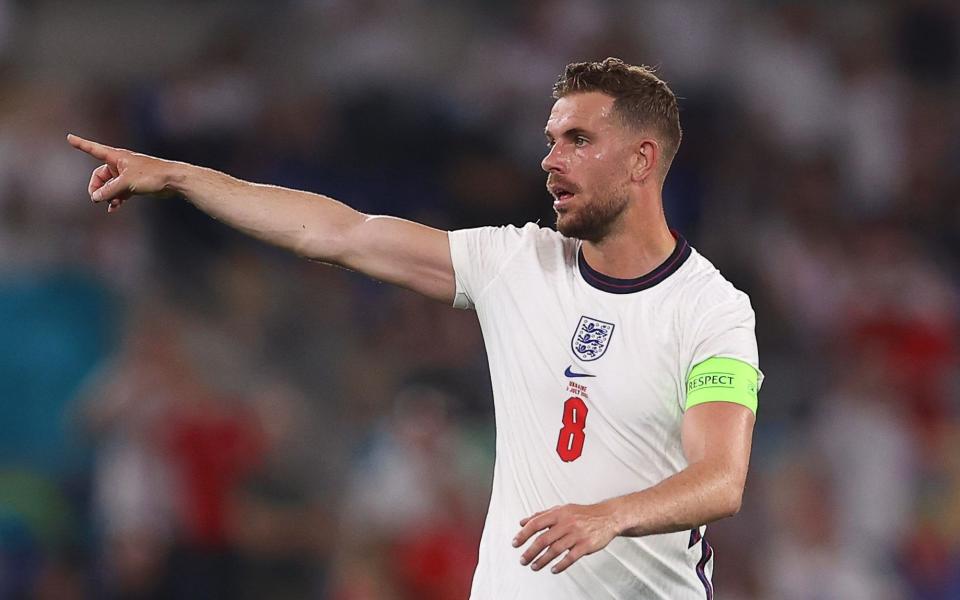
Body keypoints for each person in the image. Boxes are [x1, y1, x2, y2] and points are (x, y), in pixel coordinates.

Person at [68, 57, 761, 599]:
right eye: (550, 141)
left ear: (642, 160)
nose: (551, 160)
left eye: (579, 140)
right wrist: (185, 178)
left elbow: (720, 480)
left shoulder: (710, 311)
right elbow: (338, 232)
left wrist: (608, 514)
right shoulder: (513, 263)